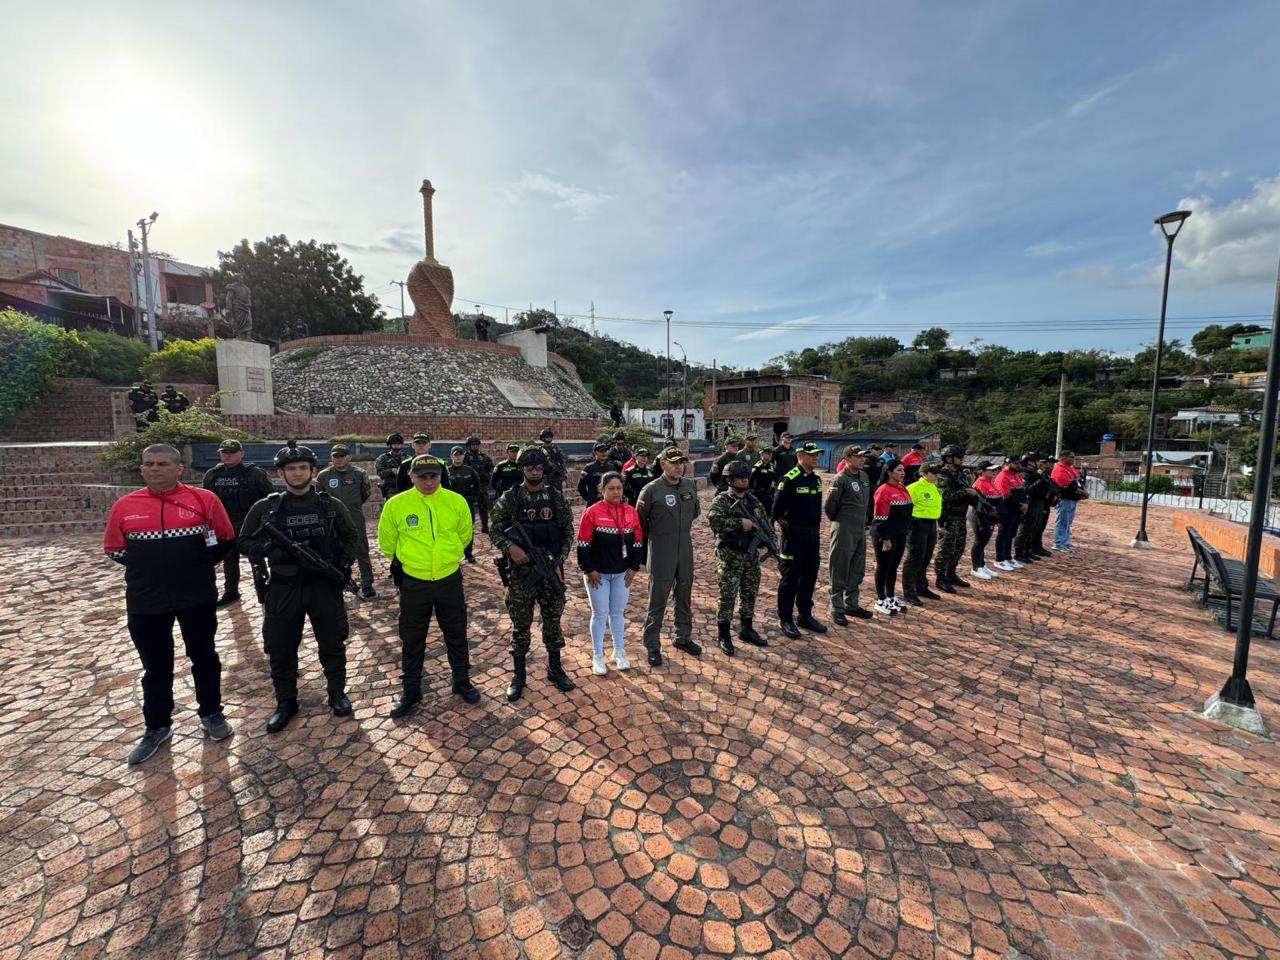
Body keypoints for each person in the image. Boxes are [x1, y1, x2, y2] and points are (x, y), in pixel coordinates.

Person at [104, 443, 236, 764]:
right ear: (141, 469)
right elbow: (115, 549)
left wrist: (194, 566)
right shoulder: (125, 506)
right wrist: (152, 568)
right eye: (149, 463)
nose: (154, 469)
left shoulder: (204, 500)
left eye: (162, 463)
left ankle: (212, 713)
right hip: (146, 599)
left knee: (204, 656)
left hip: (195, 594)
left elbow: (224, 539)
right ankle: (157, 726)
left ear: (179, 469)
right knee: (155, 666)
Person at [239, 442, 358, 733]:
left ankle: (336, 692)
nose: (297, 473)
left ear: (313, 471)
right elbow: (243, 541)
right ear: (280, 473)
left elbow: (351, 537)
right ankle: (286, 701)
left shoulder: (330, 505)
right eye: (290, 469)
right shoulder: (266, 507)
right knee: (281, 647)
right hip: (284, 587)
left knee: (332, 642)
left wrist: (342, 566)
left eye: (302, 468)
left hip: (322, 586)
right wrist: (271, 551)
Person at [379, 454, 479, 716]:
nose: (428, 481)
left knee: (456, 632)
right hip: (414, 582)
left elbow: (464, 535)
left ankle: (461, 681)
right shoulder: (396, 504)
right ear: (411, 476)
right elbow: (387, 543)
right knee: (412, 638)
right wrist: (413, 562)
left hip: (448, 579)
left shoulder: (456, 501)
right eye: (421, 476)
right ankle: (411, 690)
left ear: (440, 476)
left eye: (433, 476)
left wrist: (447, 557)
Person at [490, 448, 577, 700]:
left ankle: (555, 668)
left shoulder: (555, 497)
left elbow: (567, 532)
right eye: (529, 467)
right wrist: (510, 547)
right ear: (522, 469)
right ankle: (519, 675)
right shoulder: (510, 498)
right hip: (521, 574)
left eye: (538, 467)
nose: (535, 471)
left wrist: (558, 561)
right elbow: (495, 530)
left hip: (550, 571)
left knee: (553, 622)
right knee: (521, 625)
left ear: (544, 469)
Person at [636, 447, 701, 664]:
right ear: (663, 464)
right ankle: (652, 644)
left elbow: (695, 512)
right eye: (673, 463)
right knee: (658, 598)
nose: (678, 466)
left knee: (684, 593)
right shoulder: (651, 490)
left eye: (681, 462)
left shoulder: (689, 485)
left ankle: (683, 637)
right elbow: (641, 522)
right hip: (661, 548)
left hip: (685, 546)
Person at [576, 472, 643, 673]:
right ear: (602, 490)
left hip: (622, 573)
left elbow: (638, 542)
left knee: (617, 613)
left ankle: (618, 651)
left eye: (619, 488)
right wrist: (589, 569)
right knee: (600, 614)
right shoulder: (592, 512)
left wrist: (634, 567)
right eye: (611, 488)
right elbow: (583, 544)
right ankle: (597, 655)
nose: (616, 492)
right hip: (598, 574)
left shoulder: (631, 512)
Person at [706, 461, 772, 653]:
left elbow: (765, 523)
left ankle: (746, 628)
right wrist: (739, 523)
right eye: (740, 477)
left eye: (746, 477)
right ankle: (724, 634)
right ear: (729, 480)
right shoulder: (722, 501)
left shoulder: (753, 500)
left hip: (750, 556)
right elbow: (716, 524)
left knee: (749, 592)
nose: (744, 480)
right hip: (730, 556)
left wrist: (770, 542)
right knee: (728, 596)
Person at [202, 438, 275, 606]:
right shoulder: (212, 474)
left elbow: (269, 498)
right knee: (229, 558)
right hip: (225, 522)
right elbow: (206, 501)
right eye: (224, 452)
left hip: (249, 523)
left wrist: (264, 523)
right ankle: (231, 591)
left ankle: (265, 589)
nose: (227, 456)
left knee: (256, 557)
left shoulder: (255, 473)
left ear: (241, 453)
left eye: (231, 452)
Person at [772, 440, 827, 639]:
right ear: (800, 456)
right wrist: (788, 528)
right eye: (811, 455)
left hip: (813, 535)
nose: (815, 458)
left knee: (810, 575)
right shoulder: (790, 479)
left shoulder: (816, 479)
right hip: (794, 537)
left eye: (816, 454)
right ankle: (785, 618)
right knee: (790, 578)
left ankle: (805, 614)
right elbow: (776, 511)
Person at [316, 444, 377, 597]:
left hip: (354, 517)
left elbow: (365, 494)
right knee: (333, 551)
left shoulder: (359, 474)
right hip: (332, 520)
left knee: (361, 550)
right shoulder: (324, 476)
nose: (338, 459)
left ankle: (367, 583)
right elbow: (319, 496)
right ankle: (341, 582)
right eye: (335, 456)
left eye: (341, 456)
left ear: (349, 457)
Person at [824, 444, 873, 624]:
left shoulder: (864, 476)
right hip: (843, 528)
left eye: (862, 456)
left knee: (857, 568)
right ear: (847, 459)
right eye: (858, 456)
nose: (862, 459)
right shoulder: (840, 479)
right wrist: (841, 521)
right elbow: (829, 507)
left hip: (859, 529)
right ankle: (837, 608)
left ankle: (851, 604)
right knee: (839, 568)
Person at [870, 460, 912, 616]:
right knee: (883, 567)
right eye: (899, 470)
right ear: (889, 472)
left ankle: (890, 596)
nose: (902, 473)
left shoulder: (902, 487)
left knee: (893, 567)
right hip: (886, 535)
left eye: (903, 470)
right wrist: (885, 538)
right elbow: (879, 519)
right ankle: (881, 600)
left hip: (900, 534)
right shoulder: (883, 490)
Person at [901, 463, 943, 606]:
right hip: (918, 525)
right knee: (915, 558)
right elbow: (906, 508)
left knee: (926, 557)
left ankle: (921, 587)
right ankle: (909, 591)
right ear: (924, 474)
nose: (936, 476)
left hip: (931, 525)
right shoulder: (913, 488)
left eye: (937, 473)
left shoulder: (933, 487)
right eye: (933, 473)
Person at [934, 445, 974, 592]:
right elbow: (944, 496)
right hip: (948, 517)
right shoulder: (942, 475)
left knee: (959, 547)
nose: (962, 459)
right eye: (959, 457)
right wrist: (966, 491)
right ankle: (940, 578)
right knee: (946, 548)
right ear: (949, 458)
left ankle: (951, 573)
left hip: (960, 515)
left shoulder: (961, 473)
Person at [447, 446, 485, 562]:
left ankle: (468, 553)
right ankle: (452, 553)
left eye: (460, 455)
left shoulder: (469, 470)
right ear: (451, 456)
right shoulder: (447, 471)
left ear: (463, 456)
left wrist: (475, 498)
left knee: (468, 527)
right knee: (450, 528)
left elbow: (477, 485)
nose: (458, 457)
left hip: (467, 501)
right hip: (451, 503)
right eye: (455, 455)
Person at [968, 461, 1002, 580]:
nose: (994, 472)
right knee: (979, 542)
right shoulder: (979, 484)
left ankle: (982, 565)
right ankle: (976, 568)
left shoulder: (990, 482)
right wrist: (984, 521)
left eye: (994, 470)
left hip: (990, 517)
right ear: (982, 472)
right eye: (991, 470)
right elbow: (979, 505)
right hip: (980, 517)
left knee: (984, 542)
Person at [993, 456, 1027, 571]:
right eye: (1015, 463)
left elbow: (1021, 491)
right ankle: (1000, 559)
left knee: (1011, 534)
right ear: (1007, 464)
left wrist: (1024, 504)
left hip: (1016, 510)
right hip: (1006, 510)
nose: (1018, 466)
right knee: (1003, 535)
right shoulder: (1002, 476)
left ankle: (1007, 557)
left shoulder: (1016, 475)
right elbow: (1006, 497)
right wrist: (1021, 505)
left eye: (1019, 463)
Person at [1015, 453, 1049, 563]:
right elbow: (1026, 490)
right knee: (1025, 529)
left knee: (1033, 529)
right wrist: (1040, 481)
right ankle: (1019, 553)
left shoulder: (1035, 473)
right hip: (1030, 504)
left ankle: (1027, 551)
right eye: (1037, 461)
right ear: (1029, 462)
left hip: (1038, 503)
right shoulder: (1025, 474)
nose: (1039, 463)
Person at [1051, 450, 1087, 550]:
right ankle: (1058, 542)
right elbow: (1067, 486)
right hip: (1064, 499)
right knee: (1062, 522)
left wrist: (1083, 491)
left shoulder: (1070, 468)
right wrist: (1083, 493)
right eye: (1071, 457)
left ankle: (1064, 541)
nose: (1073, 459)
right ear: (1063, 458)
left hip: (1072, 499)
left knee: (1067, 522)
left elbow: (1078, 481)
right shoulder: (1059, 469)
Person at [462, 436, 494, 533]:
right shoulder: (464, 457)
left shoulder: (484, 457)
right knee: (468, 507)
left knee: (483, 506)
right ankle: (468, 527)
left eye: (476, 445)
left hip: (481, 485)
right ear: (468, 446)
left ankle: (485, 526)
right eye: (472, 445)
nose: (475, 446)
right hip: (469, 486)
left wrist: (487, 475)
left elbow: (491, 467)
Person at [1034, 456, 1059, 556]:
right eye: (1051, 463)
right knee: (1038, 526)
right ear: (1044, 463)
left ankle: (1037, 545)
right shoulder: (1041, 473)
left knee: (1041, 526)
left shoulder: (1048, 473)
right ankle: (1034, 546)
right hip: (1041, 502)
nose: (1053, 465)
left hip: (1046, 503)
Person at [375, 433, 409, 501]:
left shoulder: (407, 458)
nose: (396, 445)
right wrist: (391, 471)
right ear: (389, 445)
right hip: (390, 490)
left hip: (405, 489)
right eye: (394, 443)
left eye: (398, 443)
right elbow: (379, 472)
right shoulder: (382, 458)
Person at [537, 427, 568, 494]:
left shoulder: (556, 449)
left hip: (556, 476)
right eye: (547, 436)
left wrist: (564, 473)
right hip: (544, 475)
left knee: (558, 494)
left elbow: (562, 460)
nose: (549, 438)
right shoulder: (540, 450)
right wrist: (546, 463)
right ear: (542, 438)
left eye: (550, 436)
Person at [863, 445, 884, 524]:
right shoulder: (867, 460)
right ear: (871, 450)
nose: (878, 451)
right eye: (876, 449)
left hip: (875, 484)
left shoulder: (877, 459)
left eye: (878, 450)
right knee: (867, 504)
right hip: (868, 484)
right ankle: (865, 521)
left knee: (873, 503)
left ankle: (869, 520)